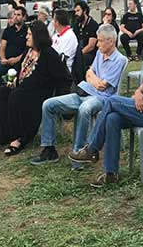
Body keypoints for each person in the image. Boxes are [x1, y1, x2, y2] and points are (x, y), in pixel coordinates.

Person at [69, 20, 143, 187]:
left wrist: (141, 98)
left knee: (111, 100)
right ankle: (111, 174)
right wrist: (138, 92)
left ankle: (92, 148)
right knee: (112, 119)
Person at [30, 24, 126, 166]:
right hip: (84, 92)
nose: (97, 44)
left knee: (84, 109)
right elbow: (89, 73)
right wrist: (94, 79)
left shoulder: (120, 59)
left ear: (110, 41)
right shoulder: (100, 54)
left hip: (102, 98)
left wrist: (93, 78)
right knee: (48, 104)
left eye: (100, 41)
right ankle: (49, 149)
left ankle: (79, 153)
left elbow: (103, 86)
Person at [0, 21, 72, 155]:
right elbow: (20, 68)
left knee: (16, 95)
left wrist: (59, 95)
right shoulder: (28, 50)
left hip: (39, 93)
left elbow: (64, 77)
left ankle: (19, 137)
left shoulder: (49, 54)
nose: (26, 37)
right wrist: (14, 79)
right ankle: (2, 134)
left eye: (29, 34)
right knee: (3, 91)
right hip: (23, 87)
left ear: (38, 36)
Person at [72, 1, 99, 66]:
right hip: (78, 52)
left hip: (90, 54)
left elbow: (91, 46)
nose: (76, 13)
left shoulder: (92, 24)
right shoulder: (77, 25)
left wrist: (79, 55)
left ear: (84, 11)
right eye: (75, 11)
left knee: (79, 60)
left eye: (78, 11)